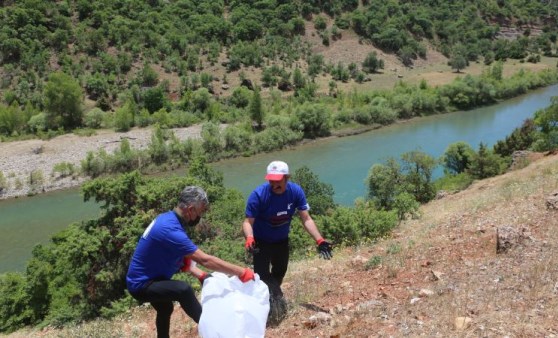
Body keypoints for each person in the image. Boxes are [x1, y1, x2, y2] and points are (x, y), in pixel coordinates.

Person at [126, 186, 255, 338]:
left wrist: (200, 275)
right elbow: (205, 259)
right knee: (183, 290)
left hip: (149, 278)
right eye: (200, 212)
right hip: (141, 285)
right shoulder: (170, 229)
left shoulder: (168, 218)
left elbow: (180, 256)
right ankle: (215, 331)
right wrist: (241, 272)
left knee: (165, 308)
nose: (200, 216)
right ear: (191, 209)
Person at [242, 160, 333, 322]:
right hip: (261, 243)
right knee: (262, 276)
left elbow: (306, 219)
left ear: (287, 178)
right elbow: (248, 222)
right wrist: (249, 237)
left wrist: (319, 240)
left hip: (281, 241)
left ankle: (271, 299)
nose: (275, 184)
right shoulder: (258, 195)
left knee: (280, 273)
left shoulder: (295, 192)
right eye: (272, 181)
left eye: (278, 181)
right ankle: (271, 303)